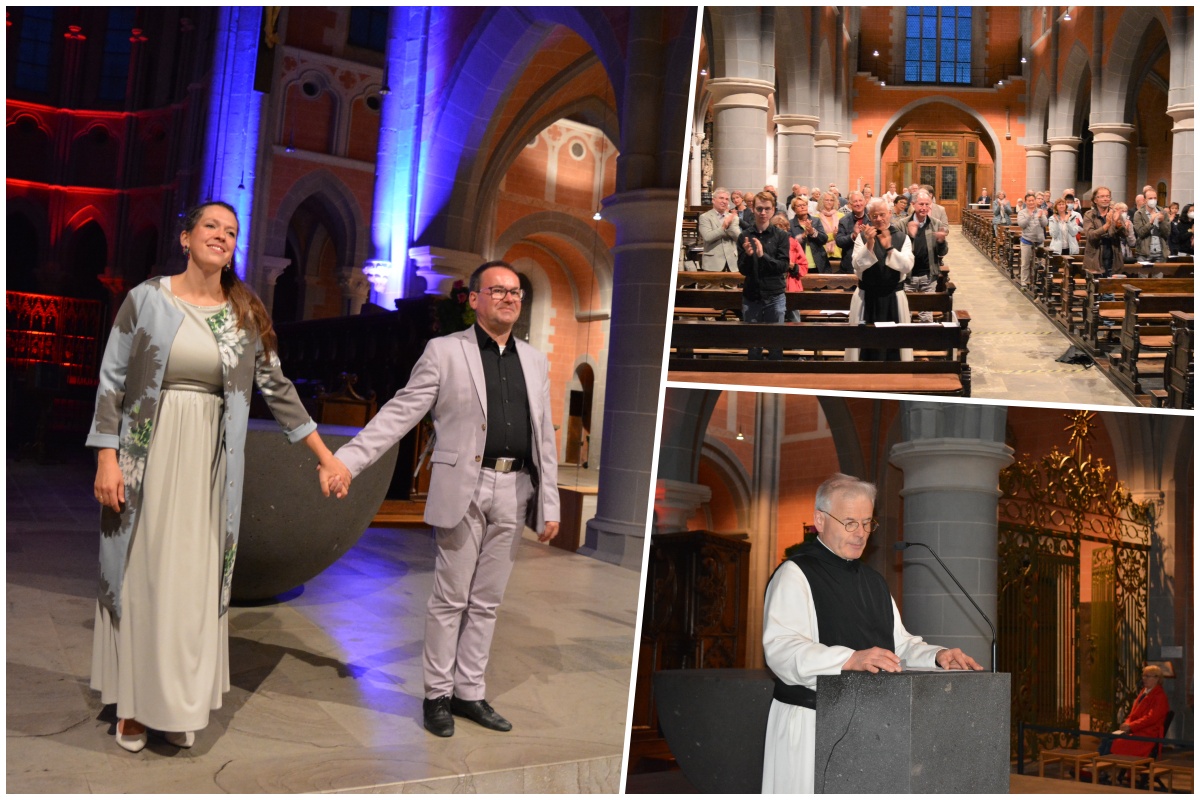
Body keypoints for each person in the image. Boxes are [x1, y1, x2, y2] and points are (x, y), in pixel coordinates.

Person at [88, 201, 346, 753]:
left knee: (193, 583)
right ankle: (133, 707)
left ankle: (176, 703)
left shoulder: (244, 315)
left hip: (209, 464)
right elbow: (111, 379)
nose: (222, 236)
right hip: (147, 456)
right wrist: (107, 456)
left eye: (231, 232)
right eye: (211, 226)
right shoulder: (146, 300)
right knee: (145, 574)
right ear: (185, 237)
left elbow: (279, 392)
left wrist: (327, 457)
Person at [324, 261, 560, 738]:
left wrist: (549, 504)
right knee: (451, 598)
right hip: (464, 487)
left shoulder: (534, 360)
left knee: (488, 601)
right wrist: (347, 459)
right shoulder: (444, 351)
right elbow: (400, 413)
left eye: (515, 292)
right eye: (497, 291)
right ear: (473, 299)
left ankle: (470, 692)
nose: (509, 299)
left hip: (515, 488)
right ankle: (437, 695)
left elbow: (544, 439)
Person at [762, 474, 983, 794]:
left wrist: (936, 656)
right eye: (850, 522)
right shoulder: (795, 574)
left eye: (867, 523)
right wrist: (848, 659)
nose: (861, 534)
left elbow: (899, 646)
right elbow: (781, 650)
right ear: (819, 521)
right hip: (811, 722)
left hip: (869, 723)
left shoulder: (874, 582)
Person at [847, 197, 914, 361]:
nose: (879, 219)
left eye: (882, 214)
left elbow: (907, 267)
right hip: (866, 296)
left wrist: (890, 248)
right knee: (863, 344)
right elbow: (857, 266)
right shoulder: (862, 238)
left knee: (895, 344)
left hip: (893, 297)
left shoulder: (902, 238)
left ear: (890, 214)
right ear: (869, 217)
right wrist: (869, 244)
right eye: (874, 216)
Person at [737, 192, 791, 359]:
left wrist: (762, 256)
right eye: (759, 208)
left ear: (773, 210)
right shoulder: (744, 235)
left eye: (767, 209)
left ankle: (775, 381)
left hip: (774, 295)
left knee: (775, 344)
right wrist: (747, 254)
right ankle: (752, 382)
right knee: (753, 345)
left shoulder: (781, 235)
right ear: (753, 209)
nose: (763, 213)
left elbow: (782, 266)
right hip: (752, 295)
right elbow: (742, 270)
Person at [1099, 665, 1170, 758]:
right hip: (1136, 730)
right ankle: (1097, 767)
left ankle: (1099, 768)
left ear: (1157, 679)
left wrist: (1131, 726)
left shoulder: (1160, 696)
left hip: (1147, 734)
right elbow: (1133, 714)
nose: (1144, 679)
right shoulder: (1144, 691)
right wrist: (1126, 724)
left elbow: (1151, 718)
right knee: (1107, 739)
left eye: (1147, 676)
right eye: (1143, 676)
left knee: (1112, 742)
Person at [903, 190, 948, 322]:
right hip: (908, 276)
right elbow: (897, 251)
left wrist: (941, 242)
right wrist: (911, 237)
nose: (924, 208)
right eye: (921, 204)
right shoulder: (902, 224)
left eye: (927, 204)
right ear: (913, 204)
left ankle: (925, 341)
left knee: (927, 316)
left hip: (928, 276)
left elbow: (943, 252)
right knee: (906, 314)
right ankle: (906, 341)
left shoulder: (936, 224)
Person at [698, 187, 741, 272]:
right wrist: (724, 226)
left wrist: (732, 223)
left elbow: (738, 238)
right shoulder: (705, 217)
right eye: (721, 198)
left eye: (726, 199)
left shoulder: (733, 217)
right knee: (713, 286)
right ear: (713, 200)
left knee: (733, 284)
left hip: (731, 263)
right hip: (713, 262)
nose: (724, 201)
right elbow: (708, 237)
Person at [774, 213, 807, 322]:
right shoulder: (769, 243)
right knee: (776, 317)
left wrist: (793, 266)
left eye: (782, 227)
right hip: (774, 285)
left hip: (791, 284)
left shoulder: (793, 243)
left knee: (794, 318)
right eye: (776, 227)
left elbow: (803, 266)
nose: (780, 230)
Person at [790, 196, 830, 274]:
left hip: (818, 262)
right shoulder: (790, 224)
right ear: (794, 209)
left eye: (804, 205)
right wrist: (803, 235)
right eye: (799, 206)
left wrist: (812, 232)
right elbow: (790, 244)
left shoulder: (816, 221)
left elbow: (824, 239)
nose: (802, 207)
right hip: (799, 263)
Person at [1017, 191, 1048, 287]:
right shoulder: (1022, 212)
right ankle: (1024, 281)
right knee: (1025, 262)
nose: (1031, 202)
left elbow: (1045, 224)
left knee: (1040, 263)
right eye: (1029, 201)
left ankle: (1038, 280)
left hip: (1039, 240)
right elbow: (1022, 224)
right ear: (1026, 202)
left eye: (1033, 200)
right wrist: (1030, 217)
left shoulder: (1040, 211)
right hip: (1027, 240)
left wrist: (1040, 217)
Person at [1132, 189, 1170, 262]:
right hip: (1144, 254)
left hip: (1160, 253)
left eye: (1155, 198)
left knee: (1159, 273)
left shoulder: (1163, 213)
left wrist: (1162, 222)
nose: (1153, 200)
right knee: (1143, 273)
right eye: (1150, 198)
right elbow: (1140, 233)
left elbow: (1167, 233)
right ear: (1145, 200)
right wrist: (1151, 222)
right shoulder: (1139, 214)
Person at [816, 192, 847, 274]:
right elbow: (817, 236)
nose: (829, 202)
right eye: (826, 200)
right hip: (823, 253)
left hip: (839, 252)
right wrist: (832, 236)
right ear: (822, 201)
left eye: (831, 200)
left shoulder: (841, 216)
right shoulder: (816, 218)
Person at [834, 191, 868, 255]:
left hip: (868, 260)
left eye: (860, 200)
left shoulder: (872, 219)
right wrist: (853, 235)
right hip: (849, 260)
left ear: (864, 202)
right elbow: (839, 242)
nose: (858, 203)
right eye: (855, 201)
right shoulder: (843, 221)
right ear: (850, 204)